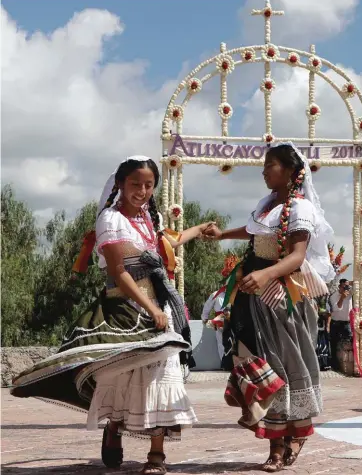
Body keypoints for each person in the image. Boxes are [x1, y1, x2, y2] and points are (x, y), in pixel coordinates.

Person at [11, 156, 215, 474]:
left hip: (160, 309)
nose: (143, 190)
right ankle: (114, 428)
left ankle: (156, 456)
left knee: (164, 378)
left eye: (149, 185)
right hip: (125, 309)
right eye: (136, 184)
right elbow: (120, 273)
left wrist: (201, 229)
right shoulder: (110, 220)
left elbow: (167, 243)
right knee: (122, 375)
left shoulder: (151, 220)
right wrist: (150, 310)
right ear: (120, 184)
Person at [203, 142, 334, 472]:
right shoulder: (268, 205)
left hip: (281, 294)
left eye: (271, 165)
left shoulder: (299, 208)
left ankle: (284, 443)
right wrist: (221, 236)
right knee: (261, 364)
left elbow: (296, 255)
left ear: (290, 171)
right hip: (255, 293)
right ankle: (279, 439)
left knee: (282, 365)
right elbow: (253, 234)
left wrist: (264, 274)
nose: (264, 171)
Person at [328, 279, 353, 371]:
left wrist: (350, 283)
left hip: (347, 322)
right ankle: (335, 365)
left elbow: (359, 284)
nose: (346, 288)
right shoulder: (334, 296)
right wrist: (342, 298)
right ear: (339, 287)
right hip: (336, 323)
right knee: (334, 344)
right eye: (344, 287)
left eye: (347, 287)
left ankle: (347, 364)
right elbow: (336, 309)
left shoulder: (351, 292)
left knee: (349, 342)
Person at [201, 289, 226, 366]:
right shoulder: (217, 294)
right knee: (221, 342)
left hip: (235, 320)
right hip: (220, 321)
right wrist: (205, 319)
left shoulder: (238, 292)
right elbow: (207, 307)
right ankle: (225, 364)